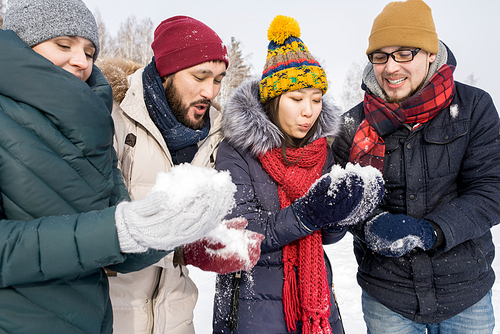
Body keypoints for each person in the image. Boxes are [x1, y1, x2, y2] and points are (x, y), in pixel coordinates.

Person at [0, 1, 240, 333]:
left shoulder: (91, 126)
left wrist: (178, 236)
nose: (81, 60)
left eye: (89, 50)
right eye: (63, 44)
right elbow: (112, 230)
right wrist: (119, 229)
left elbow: (118, 244)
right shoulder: (110, 116)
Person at [331, 0, 500, 333]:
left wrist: (432, 231)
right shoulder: (352, 124)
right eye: (380, 56)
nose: (391, 67)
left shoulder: (474, 107)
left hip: (465, 292)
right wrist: (371, 224)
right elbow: (341, 195)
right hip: (387, 294)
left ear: (430, 53)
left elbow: (491, 188)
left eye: (404, 53)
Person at [212, 15, 384, 334]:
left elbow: (329, 237)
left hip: (315, 303)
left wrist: (341, 211)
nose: (309, 110)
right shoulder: (236, 150)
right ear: (273, 99)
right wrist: (308, 213)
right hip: (253, 305)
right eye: (296, 99)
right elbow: (242, 233)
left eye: (316, 99)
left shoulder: (321, 152)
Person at [98, 16, 264, 334]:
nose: (210, 90)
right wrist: (178, 241)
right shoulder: (111, 115)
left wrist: (202, 242)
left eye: (218, 79)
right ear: (166, 72)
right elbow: (95, 225)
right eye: (200, 76)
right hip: (112, 318)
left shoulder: (213, 136)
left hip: (176, 320)